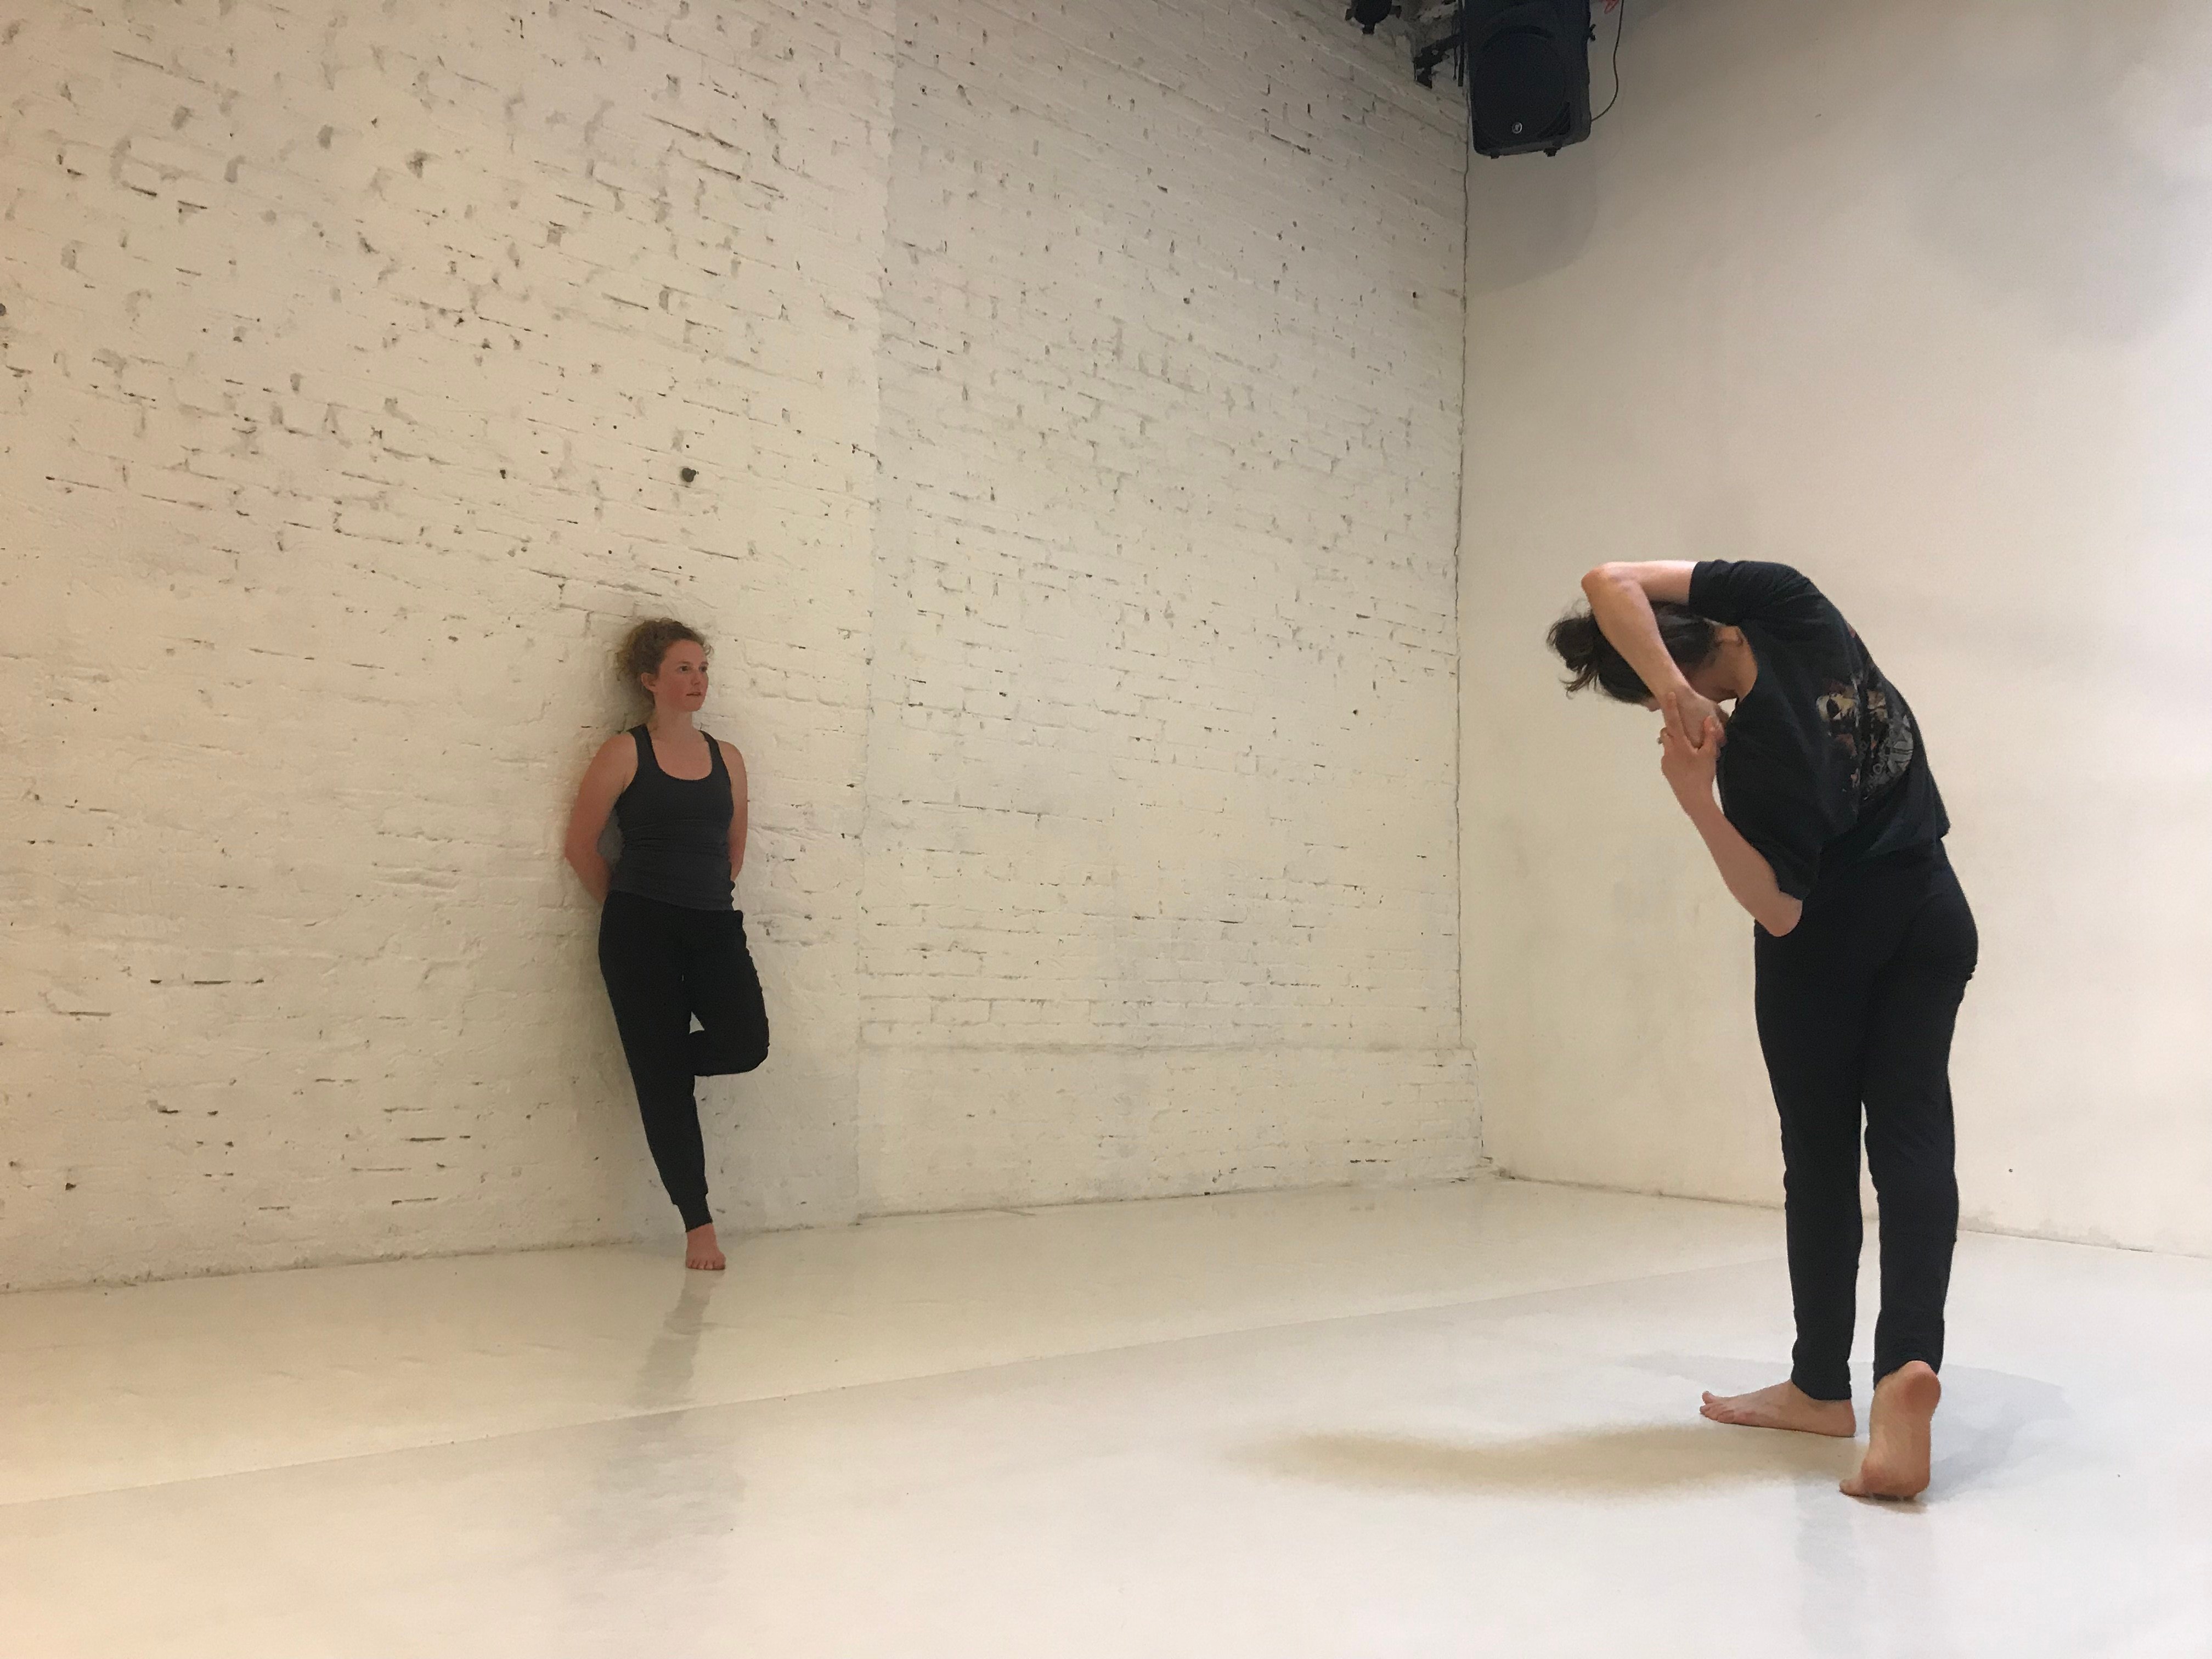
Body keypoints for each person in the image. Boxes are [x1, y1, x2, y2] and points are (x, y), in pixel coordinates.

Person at [1549, 561, 1976, 1500]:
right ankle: (1906, 1359)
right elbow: (1609, 576)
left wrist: (1694, 792)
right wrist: (1677, 673)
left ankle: (1821, 1387)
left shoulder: (1753, 760)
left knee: (1820, 1158)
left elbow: (1779, 909)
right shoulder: (1791, 605)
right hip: (1932, 907)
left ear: (1679, 677)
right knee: (1911, 1134)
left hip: (1824, 950)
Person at [564, 618, 770, 1271]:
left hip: (712, 924)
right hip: (639, 930)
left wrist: (698, 904)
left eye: (702, 668)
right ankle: (698, 1226)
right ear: (650, 680)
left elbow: (732, 850)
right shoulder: (624, 753)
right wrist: (631, 914)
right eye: (682, 669)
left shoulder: (728, 758)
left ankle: (658, 1065)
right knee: (664, 1088)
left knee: (746, 1043)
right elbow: (581, 847)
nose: (697, 680)